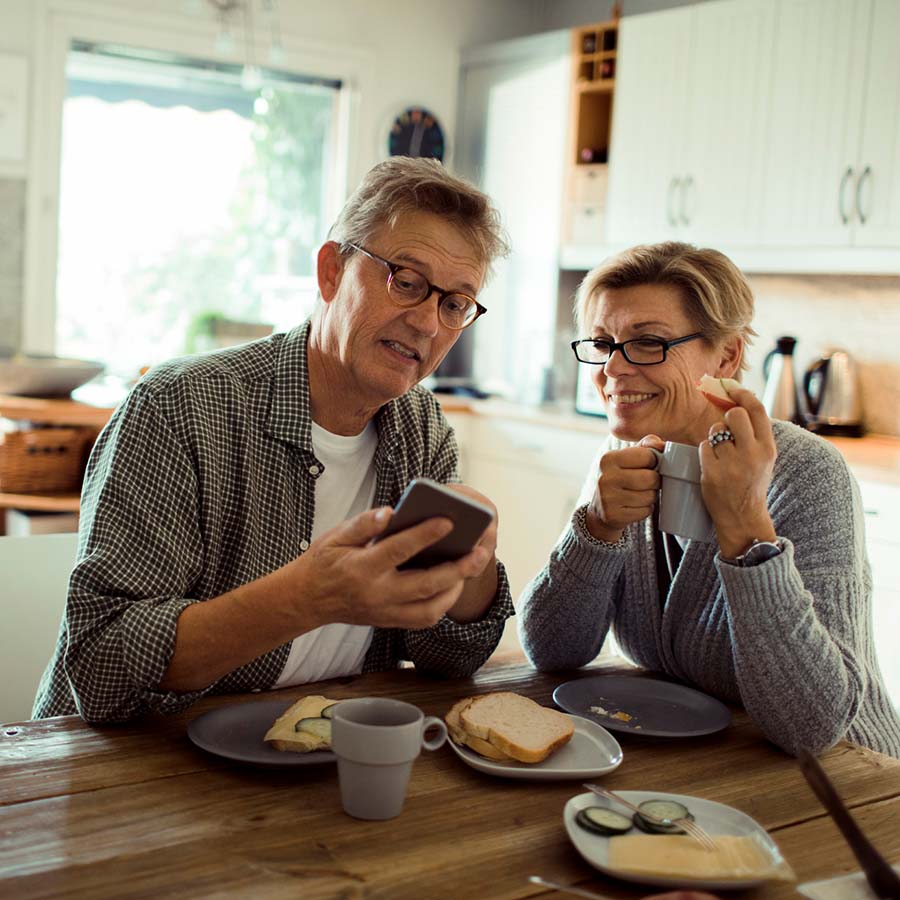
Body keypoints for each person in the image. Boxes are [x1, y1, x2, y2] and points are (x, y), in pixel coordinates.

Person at [34, 157, 514, 723]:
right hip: (135, 755)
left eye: (454, 304)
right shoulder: (181, 405)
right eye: (406, 282)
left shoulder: (422, 429)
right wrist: (309, 597)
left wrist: (474, 565)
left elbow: (448, 662)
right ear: (331, 272)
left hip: (318, 752)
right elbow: (102, 666)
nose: (429, 323)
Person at [518, 241, 900, 759]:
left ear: (727, 355)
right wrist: (597, 527)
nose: (613, 369)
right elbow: (552, 652)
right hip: (705, 760)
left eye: (648, 342)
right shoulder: (623, 452)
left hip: (848, 777)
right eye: (604, 343)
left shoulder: (806, 473)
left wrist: (746, 527)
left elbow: (811, 728)